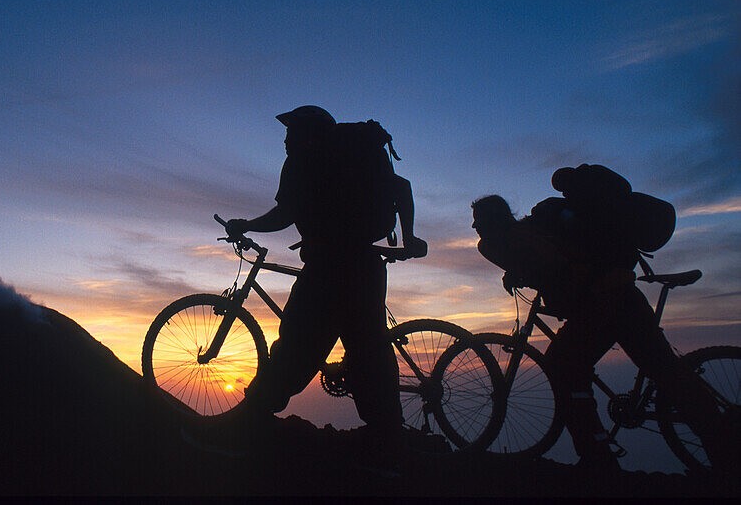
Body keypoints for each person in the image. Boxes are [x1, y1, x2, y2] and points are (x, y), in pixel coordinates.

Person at [471, 186, 737, 474]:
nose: (474, 226)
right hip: (622, 293)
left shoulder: (516, 239)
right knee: (667, 373)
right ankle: (725, 452)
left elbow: (557, 266)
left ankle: (598, 459)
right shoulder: (534, 230)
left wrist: (523, 272)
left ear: (492, 219)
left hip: (601, 304)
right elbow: (559, 258)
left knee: (561, 367)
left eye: (477, 219)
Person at [223, 106, 426, 449]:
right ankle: (386, 436)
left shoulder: (303, 161)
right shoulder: (356, 155)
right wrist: (409, 237)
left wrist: (246, 225)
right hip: (365, 265)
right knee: (369, 350)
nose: (286, 139)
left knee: (297, 345)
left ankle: (249, 422)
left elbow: (284, 214)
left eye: (291, 132)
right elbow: (401, 187)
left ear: (309, 133)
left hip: (327, 269)